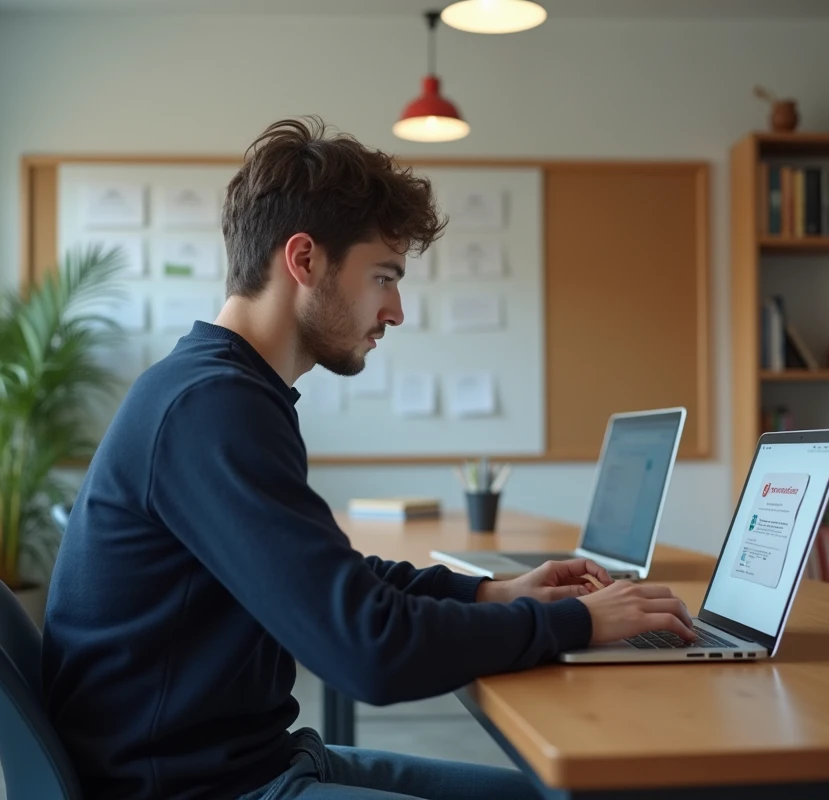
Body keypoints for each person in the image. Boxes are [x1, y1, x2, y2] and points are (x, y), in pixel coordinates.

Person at [41, 116, 697, 800]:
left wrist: (488, 592)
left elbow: (334, 579)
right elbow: (369, 652)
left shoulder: (218, 389)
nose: (397, 310)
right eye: (384, 276)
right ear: (304, 260)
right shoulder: (212, 409)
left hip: (252, 761)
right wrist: (579, 621)